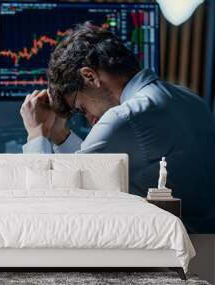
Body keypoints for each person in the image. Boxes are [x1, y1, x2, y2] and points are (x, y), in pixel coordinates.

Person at [20, 22, 215, 233]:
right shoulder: (189, 98)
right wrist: (59, 135)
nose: (90, 119)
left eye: (82, 108)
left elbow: (50, 202)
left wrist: (36, 134)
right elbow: (97, 168)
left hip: (171, 253)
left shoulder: (125, 117)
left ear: (90, 76)